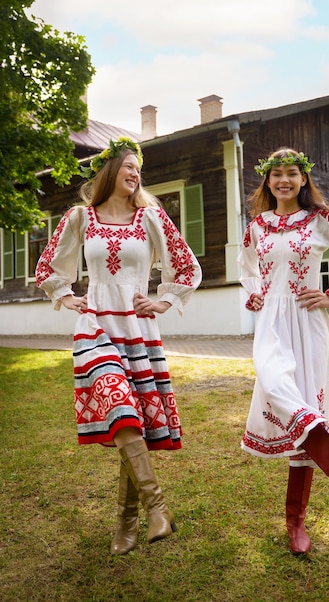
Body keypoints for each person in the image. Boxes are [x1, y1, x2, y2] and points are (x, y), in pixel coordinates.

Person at [35, 137, 202, 555]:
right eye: (128, 166)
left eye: (138, 169)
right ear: (110, 171)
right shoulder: (79, 218)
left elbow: (186, 264)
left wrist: (164, 300)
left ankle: (127, 524)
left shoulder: (150, 217)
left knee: (134, 419)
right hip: (95, 324)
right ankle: (157, 505)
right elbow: (48, 265)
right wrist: (65, 294)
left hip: (139, 329)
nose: (135, 174)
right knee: (118, 404)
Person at [238, 147, 329, 555]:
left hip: (308, 321)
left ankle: (295, 523)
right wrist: (255, 293)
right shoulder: (257, 228)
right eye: (276, 174)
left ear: (303, 180)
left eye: (292, 174)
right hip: (271, 323)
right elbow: (246, 268)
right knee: (279, 391)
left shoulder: (321, 219)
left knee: (308, 412)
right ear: (267, 181)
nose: (284, 180)